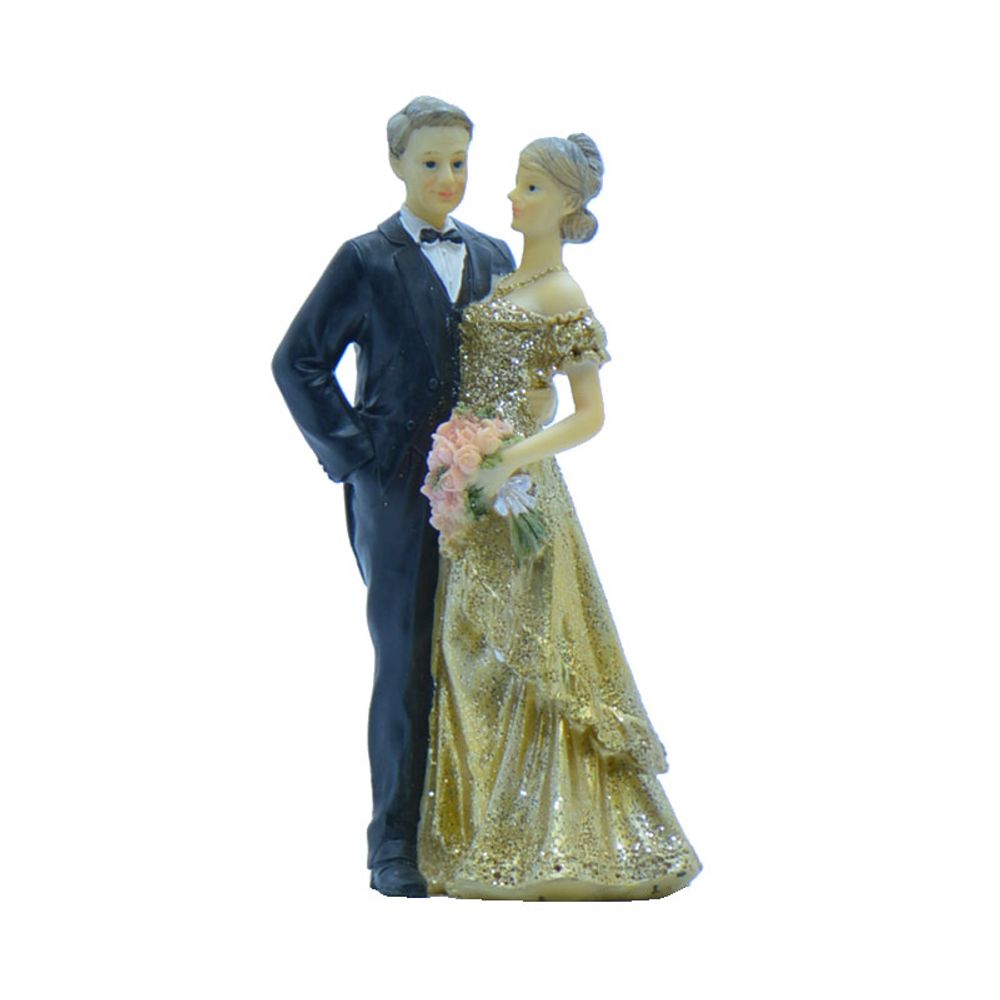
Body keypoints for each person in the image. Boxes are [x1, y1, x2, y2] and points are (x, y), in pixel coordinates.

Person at [417, 134, 702, 900]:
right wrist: (466, 459)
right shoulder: (509, 279)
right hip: (474, 494)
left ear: (568, 202)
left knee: (530, 658)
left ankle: (544, 842)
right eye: (517, 185)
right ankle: (487, 834)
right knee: (467, 649)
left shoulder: (563, 293)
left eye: (532, 188)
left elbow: (590, 414)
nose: (513, 199)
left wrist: (510, 454)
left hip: (519, 494)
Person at [272, 97, 515, 897]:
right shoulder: (366, 259)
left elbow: (517, 367)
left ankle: (479, 829)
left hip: (486, 488)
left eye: (459, 162)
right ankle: (395, 844)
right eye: (431, 162)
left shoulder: (494, 256)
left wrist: (510, 454)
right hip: (396, 491)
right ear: (398, 165)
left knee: (485, 654)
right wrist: (358, 457)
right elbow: (298, 360)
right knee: (407, 655)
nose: (447, 177)